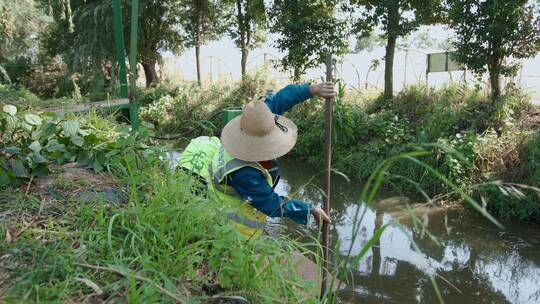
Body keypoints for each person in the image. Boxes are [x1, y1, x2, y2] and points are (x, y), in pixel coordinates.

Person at [179, 82, 336, 238]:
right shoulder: (244, 172)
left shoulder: (254, 123)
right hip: (233, 232)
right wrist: (308, 209)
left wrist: (311, 89)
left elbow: (279, 99)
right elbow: (272, 204)